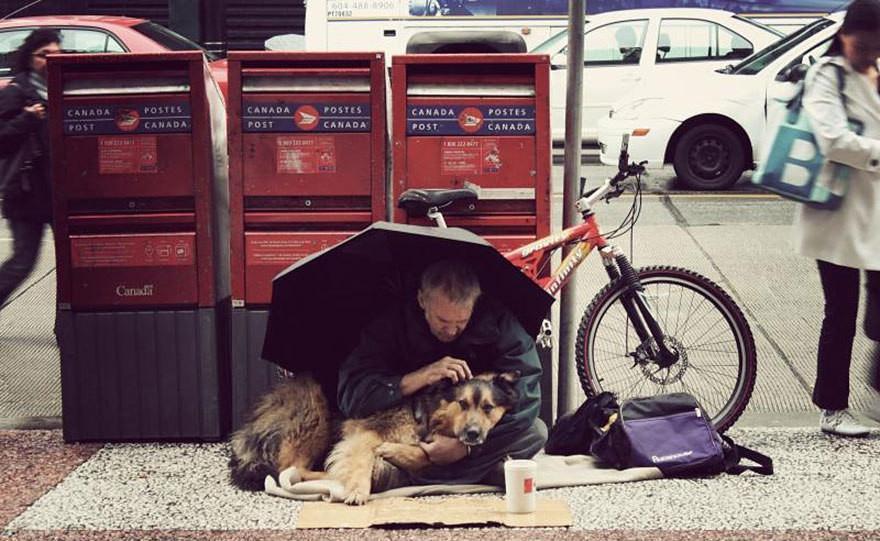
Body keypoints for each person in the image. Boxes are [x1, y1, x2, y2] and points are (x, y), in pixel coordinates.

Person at [337, 258, 546, 486]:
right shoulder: (391, 323)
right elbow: (352, 394)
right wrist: (419, 377)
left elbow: (527, 394)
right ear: (422, 300)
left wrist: (463, 449)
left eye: (461, 321)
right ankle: (479, 473)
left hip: (472, 432)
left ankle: (412, 475)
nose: (451, 330)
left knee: (536, 432)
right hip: (409, 425)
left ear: (474, 305)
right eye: (442, 320)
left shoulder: (499, 323)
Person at [796, 0, 880, 437]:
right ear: (846, 35)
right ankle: (833, 408)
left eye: (876, 45)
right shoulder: (826, 74)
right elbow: (831, 139)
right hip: (837, 215)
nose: (868, 53)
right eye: (862, 44)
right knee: (841, 312)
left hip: (874, 212)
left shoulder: (873, 73)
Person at [0, 29, 60, 310]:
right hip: (25, 193)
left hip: (56, 191)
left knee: (75, 265)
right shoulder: (17, 92)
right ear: (29, 58)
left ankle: (67, 325)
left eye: (57, 54)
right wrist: (27, 118)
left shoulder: (60, 88)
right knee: (23, 261)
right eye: (43, 55)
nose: (50, 61)